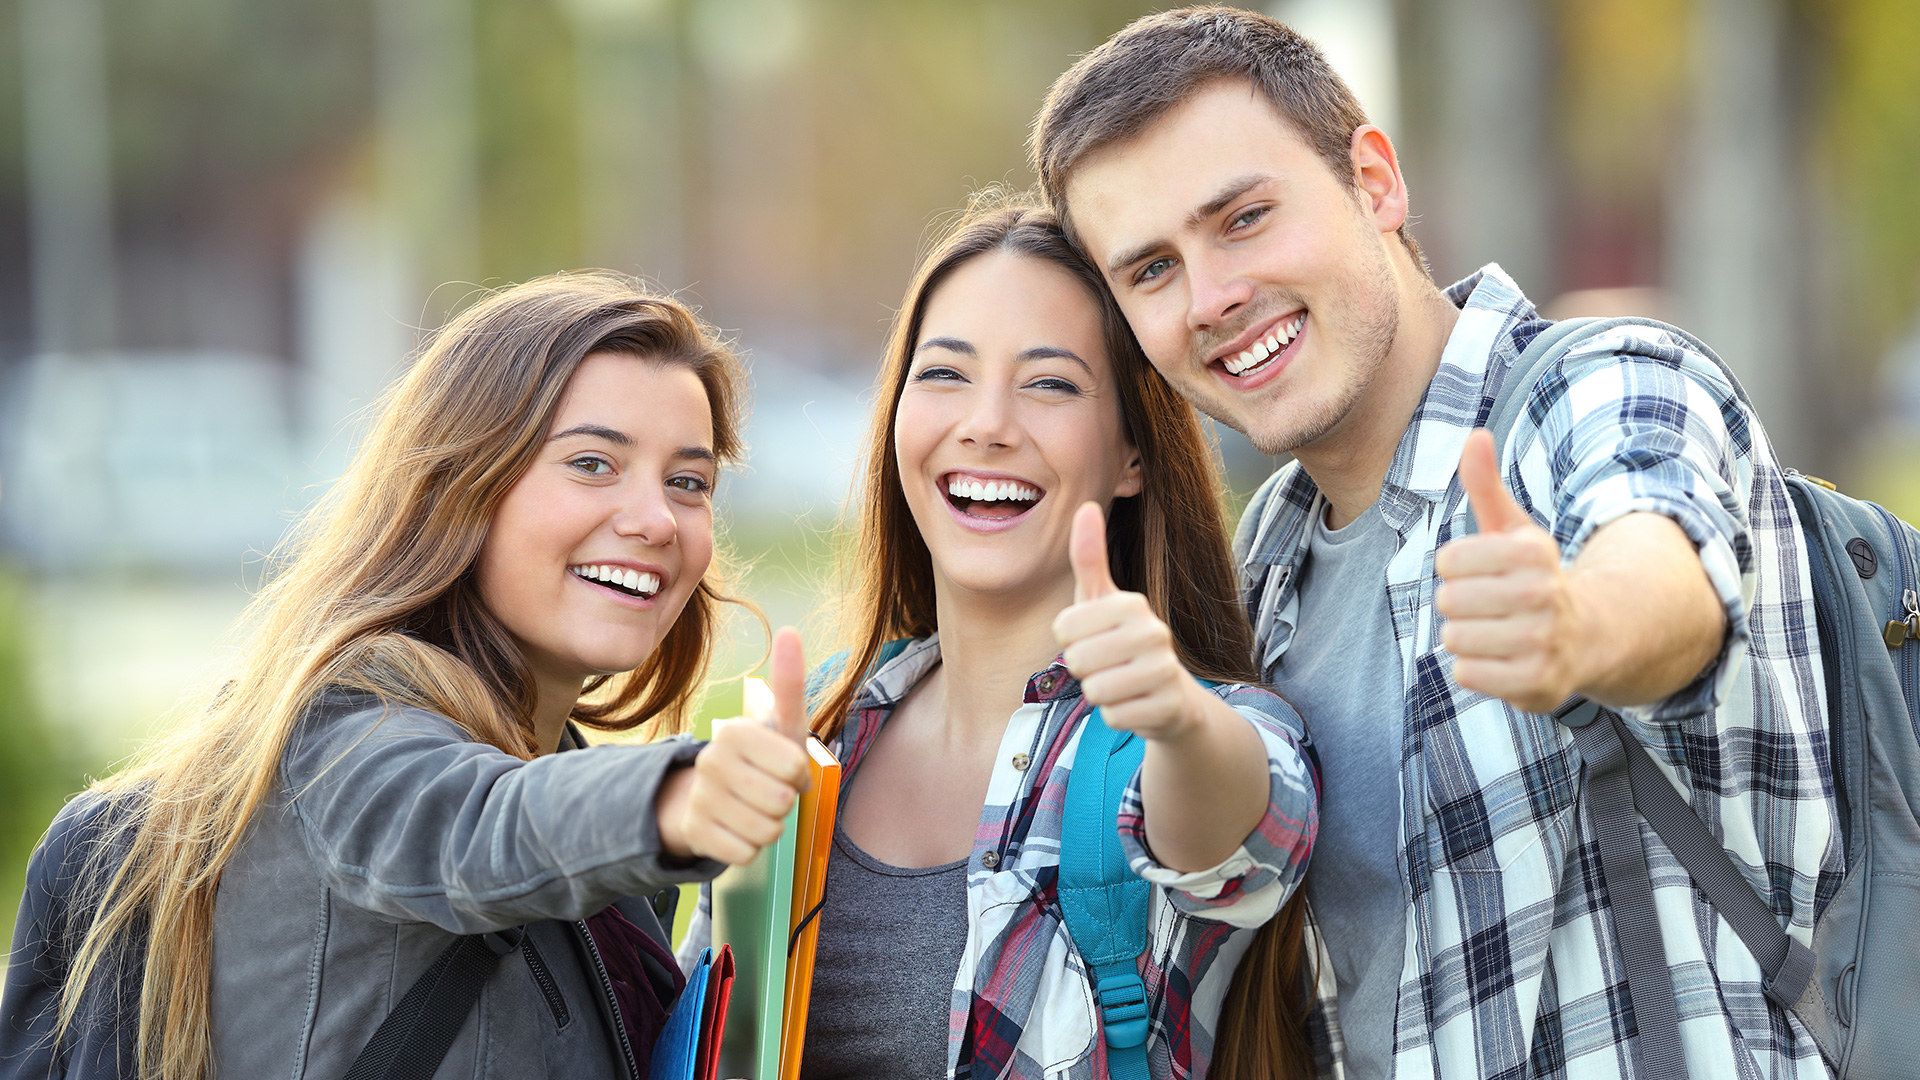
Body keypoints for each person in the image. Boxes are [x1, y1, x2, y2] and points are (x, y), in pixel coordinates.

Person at [1030, 8, 1839, 1080]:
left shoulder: (1598, 386)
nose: (1213, 298)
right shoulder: (1269, 561)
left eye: (1243, 219)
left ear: (1375, 182)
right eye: (1152, 272)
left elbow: (1668, 573)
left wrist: (1577, 628)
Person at [1, 272, 819, 1080]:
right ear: (461, 487)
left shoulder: (576, 809)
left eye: (689, 483)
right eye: (593, 464)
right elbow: (474, 825)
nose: (654, 521)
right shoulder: (344, 734)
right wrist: (676, 800)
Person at [730, 198, 1318, 1080]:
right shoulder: (814, 732)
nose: (988, 424)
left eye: (1049, 383)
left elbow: (1246, 832)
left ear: (1132, 455)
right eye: (944, 375)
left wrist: (1176, 721)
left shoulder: (1198, 730)